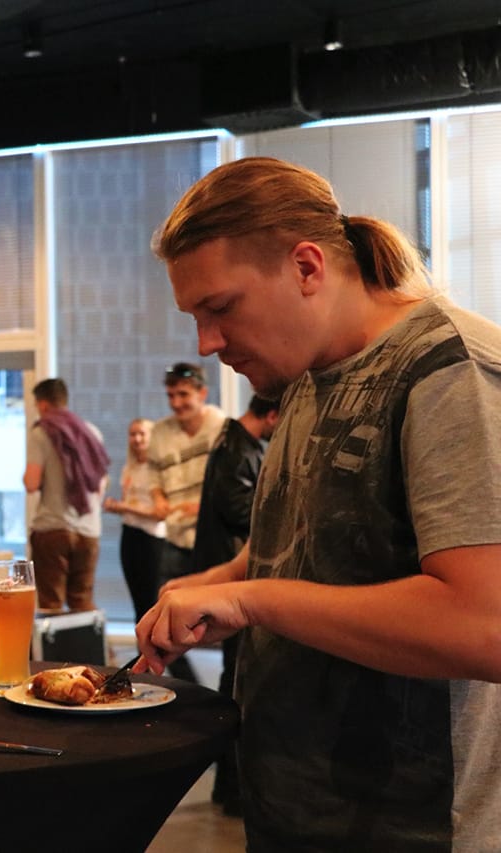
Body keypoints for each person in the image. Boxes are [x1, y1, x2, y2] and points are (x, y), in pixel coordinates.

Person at [136, 156, 501, 850]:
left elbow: (485, 623)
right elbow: (300, 545)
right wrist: (217, 584)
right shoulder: (305, 377)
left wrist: (252, 601)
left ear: (306, 267)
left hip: (413, 828)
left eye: (221, 308)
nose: (207, 344)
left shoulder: (449, 370)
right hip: (295, 814)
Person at [190, 392, 279, 816]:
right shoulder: (238, 448)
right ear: (272, 414)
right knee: (237, 680)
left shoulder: (235, 443)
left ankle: (230, 785)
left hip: (226, 572)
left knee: (235, 677)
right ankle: (231, 786)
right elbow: (238, 508)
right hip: (231, 575)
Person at [145, 361, 226, 680]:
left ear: (202, 393)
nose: (176, 403)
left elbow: (235, 479)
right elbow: (153, 474)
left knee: (228, 621)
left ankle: (230, 688)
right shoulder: (160, 432)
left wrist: (205, 507)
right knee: (161, 620)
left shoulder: (221, 425)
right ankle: (186, 687)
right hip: (176, 537)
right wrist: (158, 498)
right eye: (171, 395)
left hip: (214, 540)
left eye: (183, 395)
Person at [24, 378, 109, 612]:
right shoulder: (91, 432)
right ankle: (89, 639)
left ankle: (56, 640)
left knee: (51, 604)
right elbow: (101, 482)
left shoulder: (41, 432)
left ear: (42, 404)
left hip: (53, 529)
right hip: (89, 531)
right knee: (82, 602)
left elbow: (31, 483)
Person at [103, 418, 166, 623]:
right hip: (130, 534)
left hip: (152, 538)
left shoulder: (159, 469)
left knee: (152, 599)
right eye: (133, 434)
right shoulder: (129, 468)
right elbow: (130, 504)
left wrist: (126, 507)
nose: (137, 439)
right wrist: (116, 507)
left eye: (142, 434)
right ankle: (141, 641)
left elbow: (160, 513)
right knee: (137, 600)